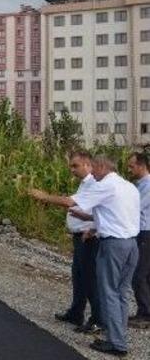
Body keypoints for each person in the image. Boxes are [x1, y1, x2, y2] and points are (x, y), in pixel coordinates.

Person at [30, 154, 140, 356]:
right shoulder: (128, 186)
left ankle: (116, 343)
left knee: (109, 292)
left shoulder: (105, 185)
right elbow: (119, 215)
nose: (92, 173)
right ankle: (118, 336)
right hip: (131, 244)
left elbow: (69, 202)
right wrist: (96, 225)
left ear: (101, 166)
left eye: (94, 168)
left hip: (113, 245)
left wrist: (44, 196)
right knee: (122, 293)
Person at [34, 150, 102, 333]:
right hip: (80, 237)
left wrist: (45, 196)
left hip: (89, 237)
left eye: (75, 166)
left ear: (88, 165)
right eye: (71, 166)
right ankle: (76, 312)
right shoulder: (84, 184)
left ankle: (98, 319)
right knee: (78, 276)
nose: (72, 170)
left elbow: (69, 202)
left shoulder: (94, 184)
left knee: (90, 278)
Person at [128, 152, 150, 329]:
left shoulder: (148, 185)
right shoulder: (139, 184)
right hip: (142, 233)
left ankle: (145, 314)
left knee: (139, 275)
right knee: (146, 274)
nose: (129, 169)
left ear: (142, 166)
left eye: (132, 166)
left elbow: (135, 207)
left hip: (145, 233)